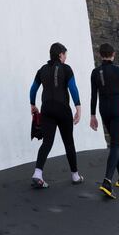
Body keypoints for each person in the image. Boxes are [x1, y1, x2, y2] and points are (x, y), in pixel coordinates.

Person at [29, 42, 83, 188]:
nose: (66, 57)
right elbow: (73, 88)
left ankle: (38, 173)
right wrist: (78, 107)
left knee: (47, 142)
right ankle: (75, 175)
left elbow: (33, 88)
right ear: (60, 55)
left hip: (47, 109)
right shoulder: (66, 69)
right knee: (68, 142)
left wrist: (33, 105)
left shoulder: (42, 70)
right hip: (62, 109)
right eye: (65, 54)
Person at [89, 43, 119, 199]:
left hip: (103, 110)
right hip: (117, 110)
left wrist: (92, 115)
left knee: (117, 142)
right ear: (113, 54)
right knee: (115, 144)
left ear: (100, 54)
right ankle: (107, 181)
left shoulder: (95, 72)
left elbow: (93, 96)